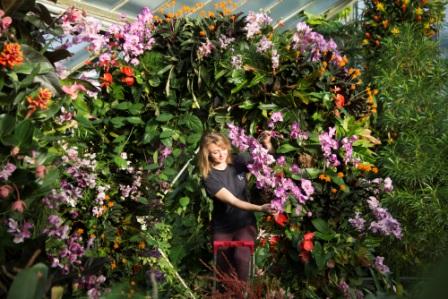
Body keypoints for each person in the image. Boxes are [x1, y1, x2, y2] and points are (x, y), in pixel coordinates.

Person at [197, 131, 273, 282]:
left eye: (223, 149)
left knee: (241, 258)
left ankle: (244, 293)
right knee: (224, 271)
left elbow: (266, 157)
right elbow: (233, 201)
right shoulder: (209, 177)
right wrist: (260, 208)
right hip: (223, 228)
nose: (221, 154)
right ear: (208, 155)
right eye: (215, 152)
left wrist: (267, 143)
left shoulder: (238, 162)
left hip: (245, 224)